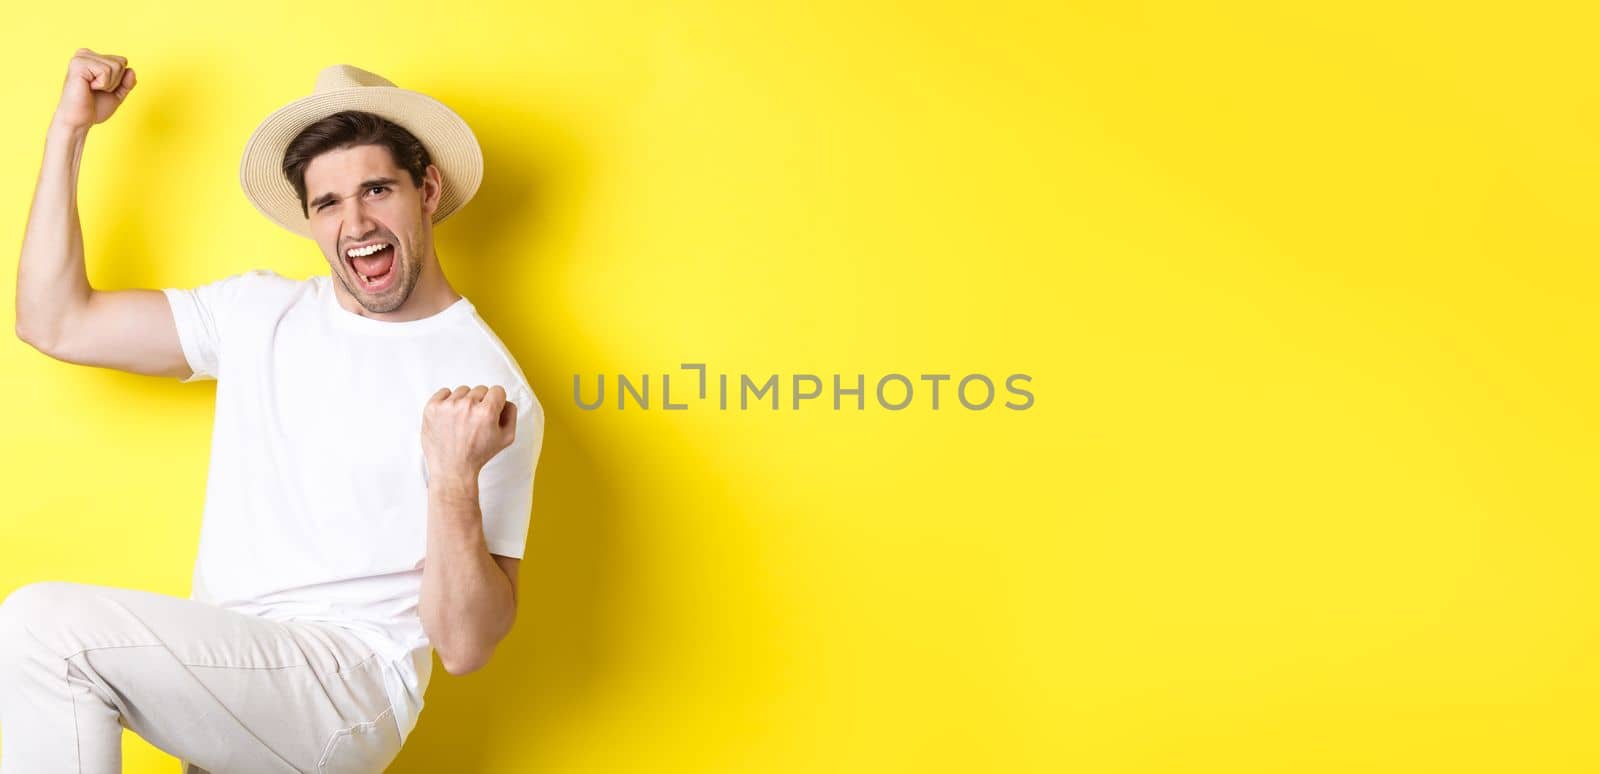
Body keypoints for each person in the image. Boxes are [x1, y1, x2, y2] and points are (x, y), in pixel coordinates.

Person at [1, 48, 544, 772]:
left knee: (44, 630)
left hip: (347, 685)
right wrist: (70, 130)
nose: (356, 222)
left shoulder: (487, 386)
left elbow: (466, 646)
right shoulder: (259, 312)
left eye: (378, 190)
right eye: (328, 203)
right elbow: (54, 321)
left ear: (428, 189)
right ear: (310, 219)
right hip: (227, 673)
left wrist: (451, 479)